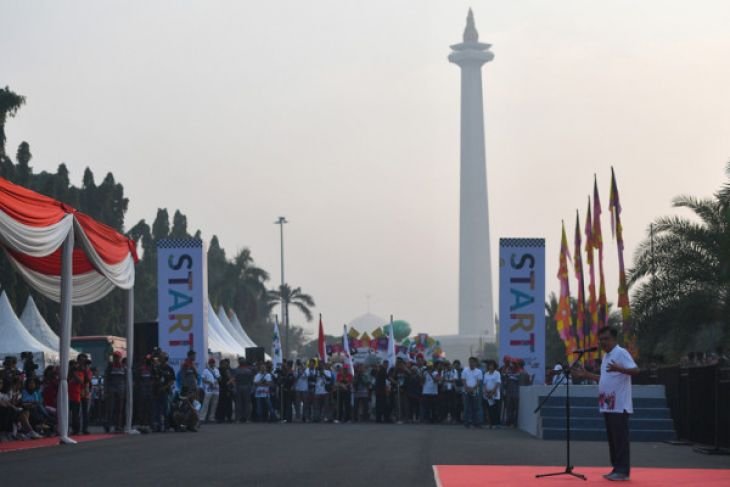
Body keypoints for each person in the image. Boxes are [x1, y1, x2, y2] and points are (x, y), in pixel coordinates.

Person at [573, 326, 639, 482]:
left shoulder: (621, 353)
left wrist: (619, 368)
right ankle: (616, 468)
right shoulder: (606, 356)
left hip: (619, 405)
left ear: (614, 339)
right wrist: (587, 374)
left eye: (606, 339)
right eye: (601, 339)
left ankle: (623, 471)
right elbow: (604, 379)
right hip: (608, 404)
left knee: (620, 439)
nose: (603, 342)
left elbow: (636, 371)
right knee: (613, 439)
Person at [104, 351, 126, 432]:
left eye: (117, 357)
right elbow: (106, 379)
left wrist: (126, 390)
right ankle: (108, 425)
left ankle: (118, 426)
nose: (116, 358)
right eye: (115, 357)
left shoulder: (124, 367)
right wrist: (106, 390)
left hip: (121, 390)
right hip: (111, 390)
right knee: (110, 408)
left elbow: (126, 379)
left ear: (120, 358)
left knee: (119, 409)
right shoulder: (110, 367)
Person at [461, 357, 483, 428]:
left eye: (473, 362)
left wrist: (473, 388)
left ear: (475, 363)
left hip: (475, 391)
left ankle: (476, 423)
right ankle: (467, 423)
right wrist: (467, 388)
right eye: (470, 362)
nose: (471, 363)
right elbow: (463, 380)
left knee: (476, 408)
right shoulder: (465, 370)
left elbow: (479, 382)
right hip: (466, 391)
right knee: (466, 407)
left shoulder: (479, 371)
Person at [232, 357, 254, 423]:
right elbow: (251, 381)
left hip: (239, 387)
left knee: (238, 403)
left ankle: (238, 418)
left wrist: (234, 388)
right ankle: (247, 418)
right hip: (247, 388)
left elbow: (234, 380)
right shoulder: (249, 371)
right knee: (247, 403)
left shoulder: (236, 370)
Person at [200, 358, 220, 423]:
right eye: (211, 363)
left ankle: (211, 417)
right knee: (206, 404)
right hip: (208, 389)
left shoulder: (217, 370)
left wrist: (218, 379)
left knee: (214, 404)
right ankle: (202, 418)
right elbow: (203, 379)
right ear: (209, 363)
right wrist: (209, 382)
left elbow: (219, 378)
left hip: (216, 389)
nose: (212, 364)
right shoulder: (205, 370)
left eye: (213, 362)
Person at [482, 359, 501, 428]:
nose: (490, 367)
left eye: (492, 365)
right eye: (489, 365)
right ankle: (490, 424)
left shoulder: (497, 373)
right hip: (487, 394)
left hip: (495, 394)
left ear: (494, 366)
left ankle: (496, 424)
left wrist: (492, 392)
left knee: (495, 410)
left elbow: (498, 383)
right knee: (489, 410)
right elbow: (484, 384)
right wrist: (486, 392)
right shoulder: (486, 374)